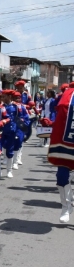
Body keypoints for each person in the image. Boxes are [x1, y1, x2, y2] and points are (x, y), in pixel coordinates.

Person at [45, 84, 74, 222]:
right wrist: (51, 123)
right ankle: (66, 207)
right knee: (61, 176)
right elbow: (61, 119)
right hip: (66, 143)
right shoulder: (67, 96)